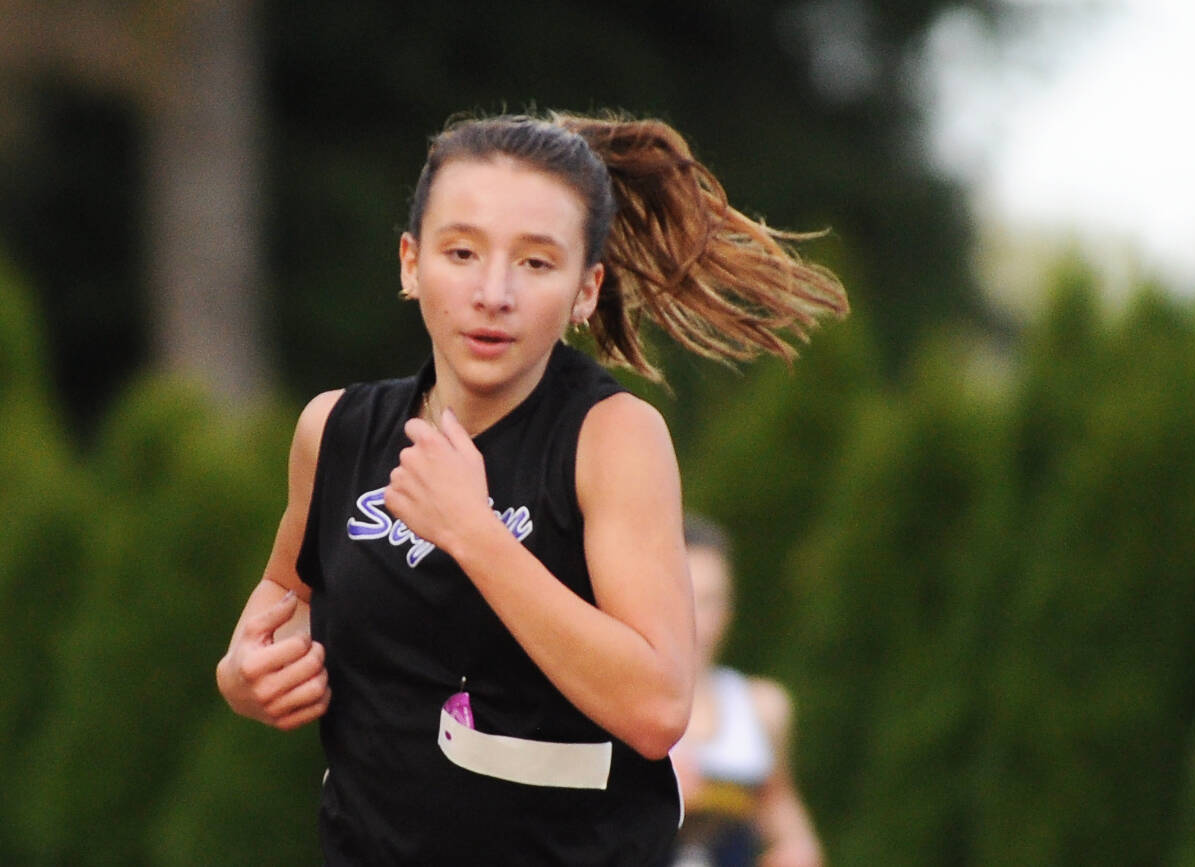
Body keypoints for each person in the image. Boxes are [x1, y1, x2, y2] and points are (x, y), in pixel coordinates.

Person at [215, 111, 848, 865]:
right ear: (411, 263)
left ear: (587, 289)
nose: (493, 292)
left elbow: (655, 707)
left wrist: (475, 534)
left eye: (537, 263)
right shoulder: (336, 429)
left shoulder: (612, 438)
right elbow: (284, 603)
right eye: (461, 252)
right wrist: (244, 675)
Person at [669, 515, 824, 867]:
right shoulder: (611, 704)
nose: (700, 620)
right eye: (687, 597)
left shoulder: (761, 706)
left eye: (713, 600)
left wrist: (798, 848)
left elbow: (777, 801)